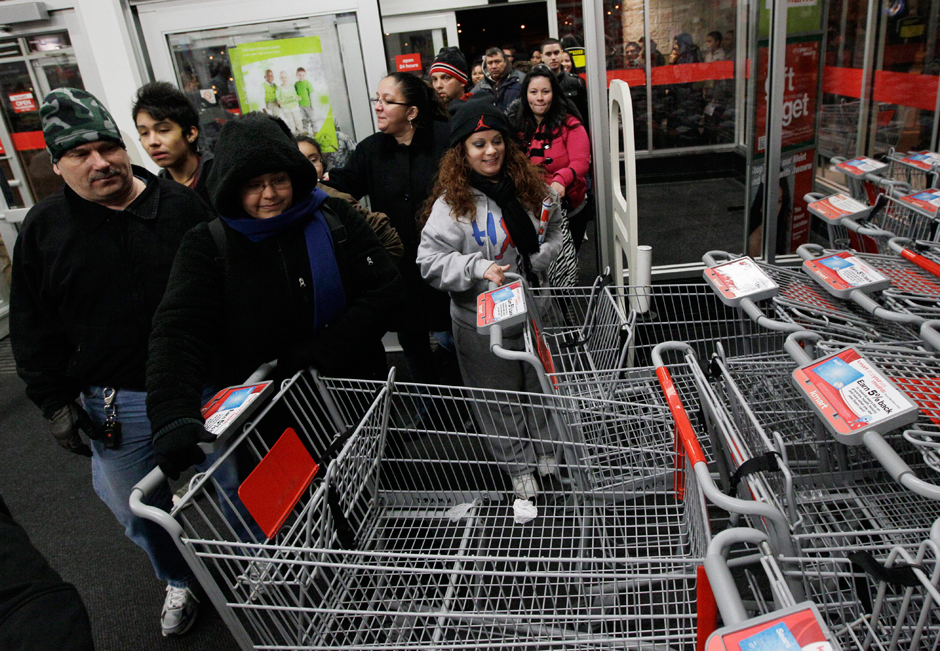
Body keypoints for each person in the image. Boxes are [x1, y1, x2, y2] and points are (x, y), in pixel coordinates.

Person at [9, 88, 215, 636]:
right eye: (80, 154)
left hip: (207, 382)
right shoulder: (45, 228)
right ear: (57, 164)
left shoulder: (180, 207)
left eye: (108, 147)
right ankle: (179, 577)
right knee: (135, 508)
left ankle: (256, 564)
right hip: (119, 400)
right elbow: (32, 327)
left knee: (243, 484)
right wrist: (53, 402)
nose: (100, 162)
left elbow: (229, 286)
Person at [146, 113, 406, 490]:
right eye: (253, 185)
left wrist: (320, 350)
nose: (269, 195)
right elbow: (179, 329)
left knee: (380, 487)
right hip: (271, 417)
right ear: (232, 187)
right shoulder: (208, 245)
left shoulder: (334, 217)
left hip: (354, 394)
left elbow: (385, 291)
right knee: (302, 506)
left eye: (279, 180)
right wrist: (172, 412)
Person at [417, 102, 563, 500]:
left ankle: (548, 452)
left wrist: (541, 257)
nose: (490, 150)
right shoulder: (452, 205)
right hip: (480, 321)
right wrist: (476, 267)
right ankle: (519, 466)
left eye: (497, 141)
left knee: (539, 386)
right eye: (478, 143)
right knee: (498, 398)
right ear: (462, 152)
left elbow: (554, 232)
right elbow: (429, 262)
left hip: (533, 311)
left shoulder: (530, 190)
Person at [324, 73, 453, 385]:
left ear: (412, 112)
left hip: (447, 261)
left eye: (387, 100)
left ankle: (467, 401)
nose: (378, 107)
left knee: (453, 339)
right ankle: (429, 407)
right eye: (376, 99)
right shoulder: (370, 150)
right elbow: (344, 187)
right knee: (413, 343)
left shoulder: (446, 141)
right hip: (401, 269)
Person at [510, 65, 591, 260]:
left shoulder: (569, 123)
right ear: (525, 95)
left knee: (565, 263)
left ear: (554, 94)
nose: (539, 98)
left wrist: (561, 179)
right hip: (530, 209)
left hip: (569, 209)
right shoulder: (515, 124)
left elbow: (581, 161)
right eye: (533, 92)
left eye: (545, 92)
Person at [297, 133, 403, 263]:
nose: (308, 167)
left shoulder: (333, 198)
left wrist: (377, 270)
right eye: (300, 161)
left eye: (313, 160)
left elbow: (388, 239)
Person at [133, 81, 215, 206]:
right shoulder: (157, 193)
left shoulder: (218, 175)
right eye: (144, 133)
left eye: (163, 130)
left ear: (190, 134)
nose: (152, 142)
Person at [540, 38, 589, 132]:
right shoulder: (536, 83)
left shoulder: (575, 82)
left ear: (562, 53)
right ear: (542, 57)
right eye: (548, 54)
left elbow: (584, 114)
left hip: (573, 132)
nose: (553, 57)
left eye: (556, 53)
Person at [470, 47, 522, 113]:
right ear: (486, 65)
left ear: (505, 62)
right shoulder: (480, 87)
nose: (494, 66)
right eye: (490, 63)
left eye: (497, 62)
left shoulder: (521, 80)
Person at [294, 67, 317, 133]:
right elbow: (294, 94)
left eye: (303, 75)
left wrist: (312, 104)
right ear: (296, 75)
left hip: (308, 105)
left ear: (305, 75)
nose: (301, 77)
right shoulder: (296, 84)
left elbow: (311, 94)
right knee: (304, 119)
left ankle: (315, 131)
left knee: (312, 118)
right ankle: (305, 130)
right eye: (299, 75)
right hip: (300, 105)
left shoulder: (307, 83)